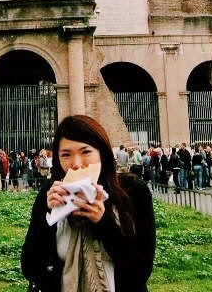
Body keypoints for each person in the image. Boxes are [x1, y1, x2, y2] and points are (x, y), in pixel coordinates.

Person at [21, 115, 155, 292]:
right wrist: (49, 216)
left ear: (102, 154)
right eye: (66, 155)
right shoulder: (50, 194)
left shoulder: (134, 192)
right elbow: (30, 267)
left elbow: (139, 272)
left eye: (86, 152)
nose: (77, 164)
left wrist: (103, 221)